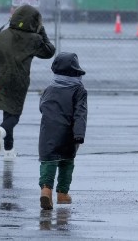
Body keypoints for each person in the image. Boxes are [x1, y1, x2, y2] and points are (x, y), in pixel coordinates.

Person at [0, 4, 56, 159]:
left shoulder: (2, 35)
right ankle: (1, 130)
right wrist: (42, 31)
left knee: (8, 111)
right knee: (14, 115)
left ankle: (8, 151)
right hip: (19, 81)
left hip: (0, 79)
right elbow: (49, 51)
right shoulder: (33, 39)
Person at [38, 52, 88, 210]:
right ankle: (62, 194)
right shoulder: (79, 90)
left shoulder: (50, 88)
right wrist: (79, 134)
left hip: (47, 131)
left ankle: (46, 190)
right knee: (67, 162)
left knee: (48, 161)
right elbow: (80, 113)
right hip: (68, 132)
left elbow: (42, 106)